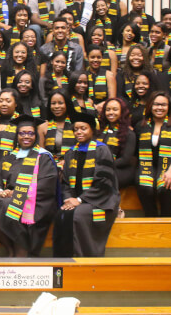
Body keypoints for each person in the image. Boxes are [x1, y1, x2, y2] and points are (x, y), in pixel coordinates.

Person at [0, 117, 57, 257]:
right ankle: (10, 248)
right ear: (16, 135)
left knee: (9, 205)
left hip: (35, 202)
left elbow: (46, 184)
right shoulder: (10, 156)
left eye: (30, 133)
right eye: (22, 133)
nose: (26, 136)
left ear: (35, 136)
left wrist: (17, 193)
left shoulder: (43, 156)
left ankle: (20, 252)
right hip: (8, 198)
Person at [53, 111, 120, 258]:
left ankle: (84, 259)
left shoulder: (101, 150)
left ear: (92, 130)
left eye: (83, 128)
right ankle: (63, 260)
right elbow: (65, 182)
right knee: (61, 214)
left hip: (101, 200)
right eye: (76, 129)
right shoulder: (71, 153)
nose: (79, 132)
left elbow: (104, 182)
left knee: (78, 215)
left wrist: (79, 200)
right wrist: (68, 199)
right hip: (77, 200)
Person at [134, 91, 171, 217]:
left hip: (169, 166)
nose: (159, 108)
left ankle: (167, 221)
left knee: (167, 186)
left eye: (163, 105)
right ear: (150, 106)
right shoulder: (140, 126)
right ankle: (150, 220)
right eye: (156, 104)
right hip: (145, 166)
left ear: (169, 107)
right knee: (145, 186)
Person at [99, 97, 137, 191]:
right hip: (100, 167)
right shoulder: (99, 131)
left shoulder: (129, 133)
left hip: (121, 169)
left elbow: (125, 160)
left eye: (115, 109)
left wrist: (103, 165)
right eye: (108, 110)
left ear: (122, 112)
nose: (111, 112)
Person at [38, 92, 75, 163]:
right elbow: (41, 154)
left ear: (67, 104)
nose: (56, 106)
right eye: (53, 103)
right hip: (50, 166)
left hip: (72, 165)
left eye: (60, 103)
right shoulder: (43, 126)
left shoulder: (75, 124)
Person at [86, 45, 116, 112]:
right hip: (88, 110)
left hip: (105, 109)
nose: (96, 60)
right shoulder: (84, 75)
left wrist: (103, 105)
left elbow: (112, 98)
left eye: (99, 57)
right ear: (87, 58)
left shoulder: (108, 75)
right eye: (92, 57)